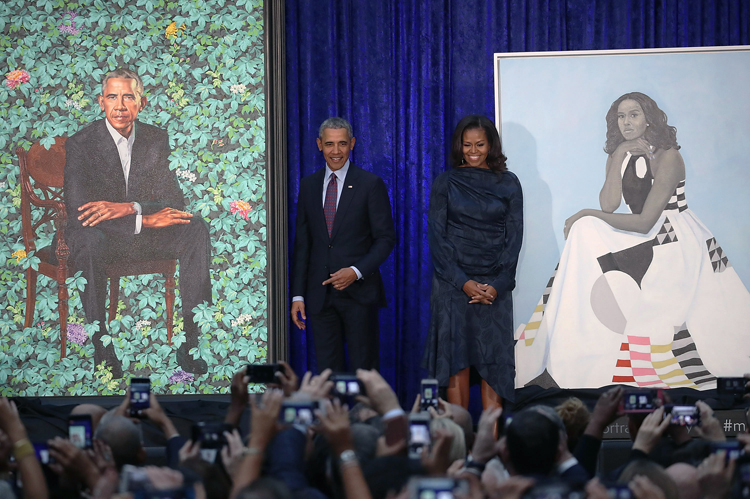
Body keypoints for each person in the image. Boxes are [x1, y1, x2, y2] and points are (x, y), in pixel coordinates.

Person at [516, 91, 750, 390]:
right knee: (585, 230)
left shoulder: (669, 157)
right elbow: (610, 205)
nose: (627, 122)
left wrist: (586, 212)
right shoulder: (621, 154)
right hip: (643, 235)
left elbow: (645, 222)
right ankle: (572, 339)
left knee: (587, 222)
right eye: (621, 116)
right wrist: (619, 157)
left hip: (674, 239)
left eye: (634, 114)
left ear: (649, 118)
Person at [64, 68, 211, 377]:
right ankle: (101, 346)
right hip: (99, 235)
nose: (120, 106)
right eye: (113, 97)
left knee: (194, 226)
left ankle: (190, 341)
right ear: (100, 101)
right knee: (89, 241)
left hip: (138, 235)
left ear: (141, 103)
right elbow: (82, 211)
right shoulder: (82, 143)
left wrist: (130, 207)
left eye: (128, 97)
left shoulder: (156, 138)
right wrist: (144, 221)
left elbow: (173, 199)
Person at [422, 114, 523, 409]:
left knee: (495, 363)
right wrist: (464, 283)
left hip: (495, 289)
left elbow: (514, 238)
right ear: (459, 146)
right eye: (467, 145)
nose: (473, 151)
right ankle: (460, 441)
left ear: (491, 144)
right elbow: (437, 241)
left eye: (480, 144)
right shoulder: (446, 182)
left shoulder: (509, 183)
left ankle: (490, 447)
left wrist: (499, 284)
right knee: (457, 361)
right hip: (453, 287)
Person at [290, 117, 395, 372]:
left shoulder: (370, 184)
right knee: (326, 373)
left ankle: (365, 414)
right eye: (329, 144)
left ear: (352, 144)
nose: (335, 151)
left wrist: (355, 271)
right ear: (319, 145)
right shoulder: (308, 185)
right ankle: (330, 414)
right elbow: (303, 243)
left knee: (364, 370)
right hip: (319, 297)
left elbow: (386, 239)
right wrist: (298, 294)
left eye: (342, 144)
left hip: (359, 295)